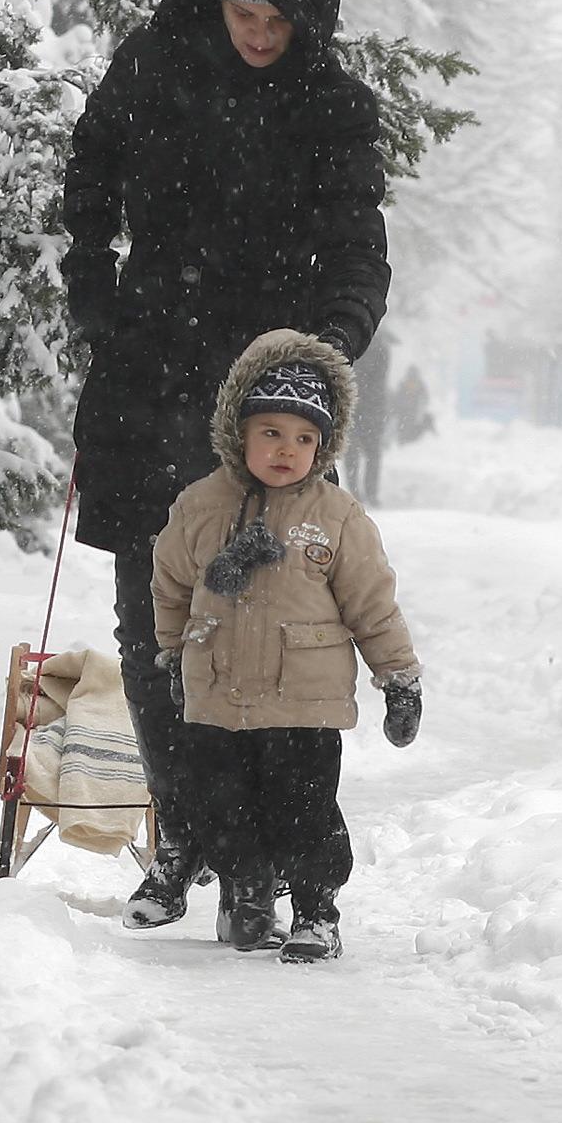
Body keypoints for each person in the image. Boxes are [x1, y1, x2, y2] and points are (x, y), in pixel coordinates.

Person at [59, 0, 391, 930]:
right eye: (240, 12)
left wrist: (325, 354)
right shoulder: (153, 66)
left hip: (269, 400)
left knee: (263, 625)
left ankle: (258, 854)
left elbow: (356, 254)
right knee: (156, 622)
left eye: (276, 18)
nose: (255, 33)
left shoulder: (331, 108)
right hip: (148, 370)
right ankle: (189, 834)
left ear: (310, 17)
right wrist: (93, 286)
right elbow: (91, 171)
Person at [148, 332, 421, 962]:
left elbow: (372, 605)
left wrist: (399, 678)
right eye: (270, 431)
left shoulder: (338, 516)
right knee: (221, 806)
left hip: (304, 701)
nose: (286, 450)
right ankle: (248, 890)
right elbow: (169, 585)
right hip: (217, 693)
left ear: (324, 446)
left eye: (304, 438)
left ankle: (315, 910)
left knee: (305, 812)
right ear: (236, 430)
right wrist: (170, 654)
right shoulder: (199, 505)